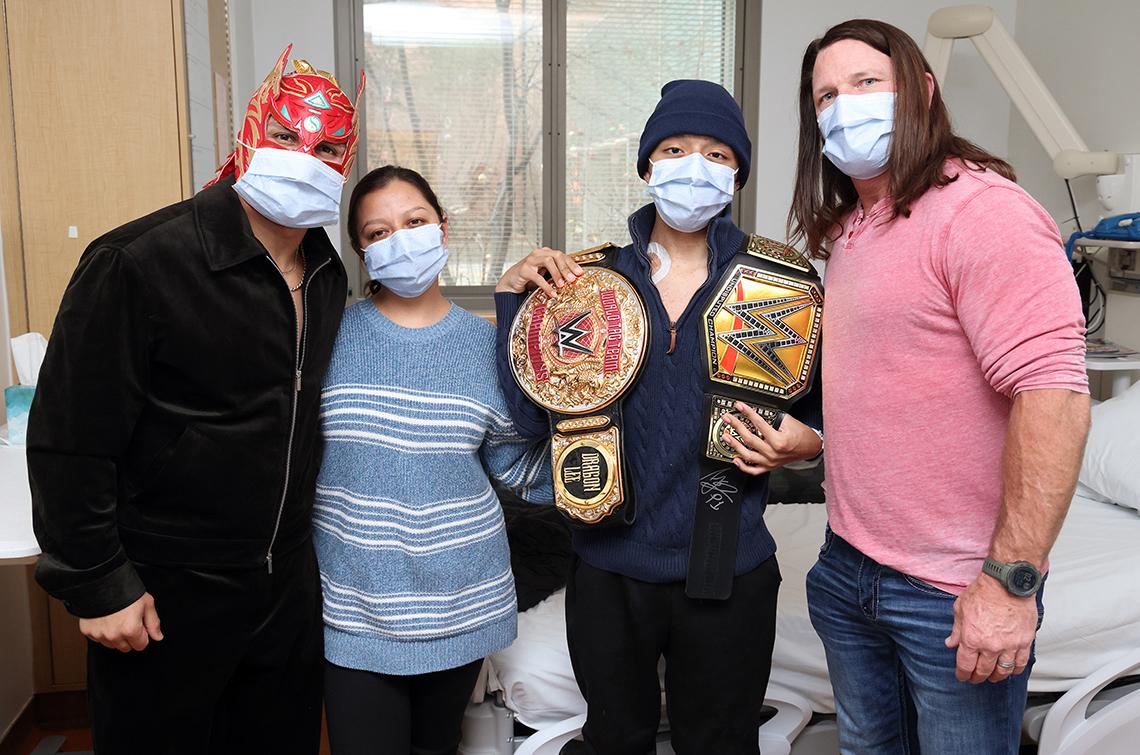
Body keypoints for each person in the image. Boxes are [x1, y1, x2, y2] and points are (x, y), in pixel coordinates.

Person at [27, 46, 363, 753]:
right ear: (249, 132)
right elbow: (69, 440)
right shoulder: (137, 262)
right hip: (165, 590)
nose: (307, 156)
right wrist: (97, 582)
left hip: (285, 594)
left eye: (329, 145)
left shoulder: (328, 273)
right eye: (286, 136)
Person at [494, 80, 824, 755]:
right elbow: (532, 423)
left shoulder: (780, 285)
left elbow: (822, 417)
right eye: (674, 148)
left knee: (721, 742)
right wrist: (511, 301)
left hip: (728, 562)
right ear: (647, 166)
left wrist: (806, 441)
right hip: (608, 563)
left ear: (737, 174)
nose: (693, 166)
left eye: (716, 153)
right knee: (615, 738)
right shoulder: (585, 284)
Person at [788, 19, 1091, 753]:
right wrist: (818, 439)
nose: (844, 106)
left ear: (921, 91)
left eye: (866, 84)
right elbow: (901, 385)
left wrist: (1009, 586)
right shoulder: (855, 229)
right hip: (849, 567)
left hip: (951, 592)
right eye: (827, 96)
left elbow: (1054, 395)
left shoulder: (982, 211)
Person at [314, 165, 552, 755]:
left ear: (442, 229)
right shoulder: (327, 337)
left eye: (414, 221)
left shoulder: (489, 345)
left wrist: (598, 438)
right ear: (361, 252)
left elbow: (517, 467)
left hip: (460, 599)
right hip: (354, 607)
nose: (399, 239)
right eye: (377, 232)